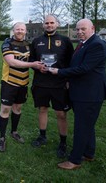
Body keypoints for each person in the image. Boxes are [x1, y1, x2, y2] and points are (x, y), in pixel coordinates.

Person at [48, 19, 106, 170]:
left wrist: (59, 72)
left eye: (83, 29)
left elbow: (83, 69)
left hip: (89, 94)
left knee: (81, 127)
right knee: (88, 125)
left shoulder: (97, 45)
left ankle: (74, 161)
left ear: (92, 28)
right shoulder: (84, 43)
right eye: (78, 29)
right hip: (81, 92)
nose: (80, 32)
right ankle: (89, 153)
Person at [29, 15, 74, 158]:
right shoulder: (36, 41)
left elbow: (71, 63)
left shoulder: (66, 41)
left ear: (57, 24)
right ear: (43, 25)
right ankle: (42, 136)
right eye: (46, 23)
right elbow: (31, 61)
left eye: (52, 22)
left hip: (59, 84)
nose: (49, 25)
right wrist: (37, 68)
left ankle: (63, 142)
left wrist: (67, 79)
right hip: (41, 83)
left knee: (61, 114)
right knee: (42, 109)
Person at [0, 22, 44, 152]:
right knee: (6, 109)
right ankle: (2, 138)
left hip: (23, 83)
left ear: (25, 31)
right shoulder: (7, 43)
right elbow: (11, 61)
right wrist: (32, 65)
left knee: (17, 108)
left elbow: (37, 59)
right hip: (9, 82)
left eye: (22, 29)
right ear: (13, 30)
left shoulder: (29, 45)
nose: (20, 31)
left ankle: (14, 131)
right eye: (17, 29)